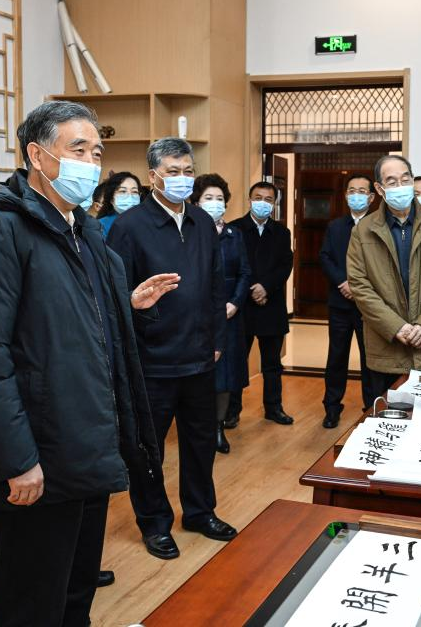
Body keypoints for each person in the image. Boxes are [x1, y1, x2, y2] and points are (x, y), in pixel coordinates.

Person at [0, 100, 169, 626]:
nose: (90, 164)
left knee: (75, 594)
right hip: (39, 456)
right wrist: (17, 459)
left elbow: (70, 325)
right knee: (31, 603)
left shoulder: (84, 233)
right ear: (37, 156)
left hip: (87, 446)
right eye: (78, 150)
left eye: (97, 153)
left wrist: (126, 307)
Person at [107, 138, 238, 560]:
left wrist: (217, 340)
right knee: (149, 450)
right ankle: (155, 523)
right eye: (173, 171)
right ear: (153, 177)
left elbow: (216, 285)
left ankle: (200, 512)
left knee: (200, 442)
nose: (183, 179)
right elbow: (116, 296)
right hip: (152, 359)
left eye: (188, 171)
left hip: (200, 355)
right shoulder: (130, 227)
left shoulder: (201, 220)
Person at [347, 155, 421, 400]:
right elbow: (360, 285)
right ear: (379, 189)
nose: (400, 186)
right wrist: (395, 326)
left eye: (405, 179)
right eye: (392, 181)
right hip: (386, 349)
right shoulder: (363, 231)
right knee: (388, 415)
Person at [226, 182, 295, 426]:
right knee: (237, 362)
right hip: (241, 306)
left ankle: (274, 408)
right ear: (249, 199)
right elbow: (233, 265)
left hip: (271, 305)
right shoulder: (234, 228)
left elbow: (285, 264)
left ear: (274, 204)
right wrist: (252, 288)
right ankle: (231, 411)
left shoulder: (281, 232)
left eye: (268, 199)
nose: (262, 203)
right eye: (258, 197)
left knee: (272, 364)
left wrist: (265, 287)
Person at [192, 173, 251, 451]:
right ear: (196, 202)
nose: (215, 203)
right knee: (200, 374)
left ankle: (218, 427)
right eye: (208, 198)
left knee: (226, 375)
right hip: (198, 315)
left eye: (219, 198)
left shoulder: (234, 235)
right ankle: (199, 427)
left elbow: (244, 273)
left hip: (229, 315)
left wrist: (235, 302)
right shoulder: (189, 233)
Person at [320, 173, 376, 428]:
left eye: (362, 191)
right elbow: (325, 257)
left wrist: (359, 288)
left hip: (369, 306)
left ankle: (371, 407)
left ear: (372, 197)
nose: (356, 195)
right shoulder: (335, 226)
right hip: (339, 303)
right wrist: (342, 282)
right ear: (345, 195)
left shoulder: (378, 225)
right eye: (352, 191)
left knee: (370, 359)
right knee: (336, 357)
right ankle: (332, 407)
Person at [94, 171, 143, 238]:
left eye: (134, 192)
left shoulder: (147, 222)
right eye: (123, 191)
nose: (130, 196)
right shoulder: (101, 226)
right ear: (111, 198)